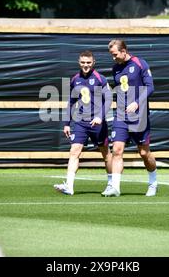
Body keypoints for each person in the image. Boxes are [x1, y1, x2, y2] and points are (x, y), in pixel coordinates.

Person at [103, 39, 158, 197]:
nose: (113, 58)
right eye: (111, 55)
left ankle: (153, 182)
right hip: (121, 115)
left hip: (139, 116)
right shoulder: (115, 69)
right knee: (117, 151)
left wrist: (137, 103)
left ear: (123, 51)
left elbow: (150, 87)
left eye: (115, 54)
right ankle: (115, 187)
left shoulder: (140, 63)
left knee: (143, 153)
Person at [54, 50, 113, 195]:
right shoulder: (75, 79)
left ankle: (112, 184)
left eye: (88, 63)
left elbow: (109, 99)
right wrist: (67, 123)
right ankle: (69, 186)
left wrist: (100, 116)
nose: (85, 65)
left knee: (106, 154)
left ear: (94, 63)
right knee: (74, 152)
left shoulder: (100, 79)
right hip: (80, 122)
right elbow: (71, 102)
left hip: (98, 124)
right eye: (83, 63)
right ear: (79, 63)